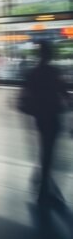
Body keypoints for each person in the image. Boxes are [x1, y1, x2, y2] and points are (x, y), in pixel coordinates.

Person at [21, 41, 70, 206]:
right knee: (48, 153)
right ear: (50, 55)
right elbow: (64, 93)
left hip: (40, 118)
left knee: (45, 151)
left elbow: (25, 95)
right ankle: (43, 191)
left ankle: (41, 184)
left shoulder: (33, 73)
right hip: (54, 117)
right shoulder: (54, 72)